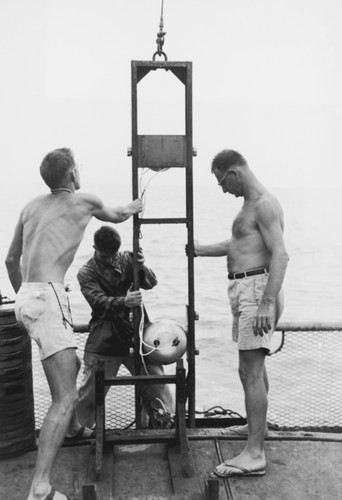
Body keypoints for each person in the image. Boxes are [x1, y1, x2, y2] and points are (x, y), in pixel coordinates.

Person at [5, 147, 143, 500]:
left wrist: (29, 300)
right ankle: (40, 487)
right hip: (49, 297)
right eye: (77, 168)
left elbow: (10, 260)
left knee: (75, 363)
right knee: (64, 397)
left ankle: (75, 428)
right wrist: (134, 206)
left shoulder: (30, 206)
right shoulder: (84, 201)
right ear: (73, 175)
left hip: (25, 298)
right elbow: (118, 215)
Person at [193, 149, 289, 478]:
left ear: (234, 172)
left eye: (222, 182)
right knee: (252, 368)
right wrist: (200, 250)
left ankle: (254, 453)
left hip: (257, 292)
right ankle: (255, 430)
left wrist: (266, 302)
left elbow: (281, 255)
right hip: (245, 291)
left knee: (249, 371)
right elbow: (239, 245)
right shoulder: (248, 207)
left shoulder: (263, 203)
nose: (223, 189)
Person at [73, 225, 174, 431]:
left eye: (114, 255)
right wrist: (124, 302)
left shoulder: (127, 259)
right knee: (89, 396)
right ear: (94, 248)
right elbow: (98, 301)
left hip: (136, 336)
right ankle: (79, 437)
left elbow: (151, 282)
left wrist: (141, 267)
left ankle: (165, 427)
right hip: (105, 339)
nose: (111, 259)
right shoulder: (86, 272)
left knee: (157, 385)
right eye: (106, 255)